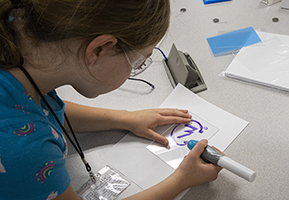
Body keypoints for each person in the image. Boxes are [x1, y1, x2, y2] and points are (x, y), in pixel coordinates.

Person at [0, 0, 222, 199]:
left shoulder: (21, 55)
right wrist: (181, 180)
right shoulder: (25, 151)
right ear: (99, 50)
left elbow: (39, 112)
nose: (134, 70)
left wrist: (124, 119)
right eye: (138, 63)